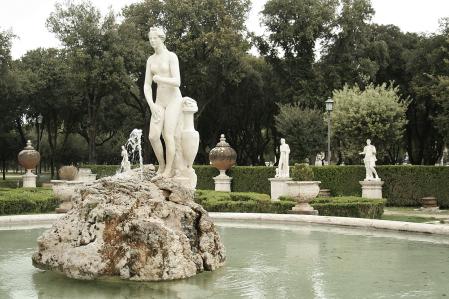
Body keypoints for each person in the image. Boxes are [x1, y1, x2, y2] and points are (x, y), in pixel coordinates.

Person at [144, 27, 183, 178]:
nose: (152, 41)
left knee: (168, 135)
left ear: (162, 39)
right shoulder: (150, 60)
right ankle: (162, 165)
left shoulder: (171, 56)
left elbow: (177, 81)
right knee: (153, 136)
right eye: (150, 39)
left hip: (174, 99)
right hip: (159, 101)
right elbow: (147, 85)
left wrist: (160, 79)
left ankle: (169, 170)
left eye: (155, 38)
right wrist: (151, 105)